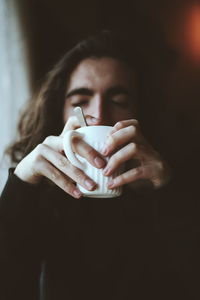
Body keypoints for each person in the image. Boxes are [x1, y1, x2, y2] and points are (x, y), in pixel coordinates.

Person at [0, 31, 194, 300]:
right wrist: (21, 183)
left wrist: (169, 192)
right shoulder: (42, 197)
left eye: (118, 101)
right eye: (80, 102)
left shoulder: (175, 185)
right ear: (60, 115)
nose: (99, 115)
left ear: (142, 113)